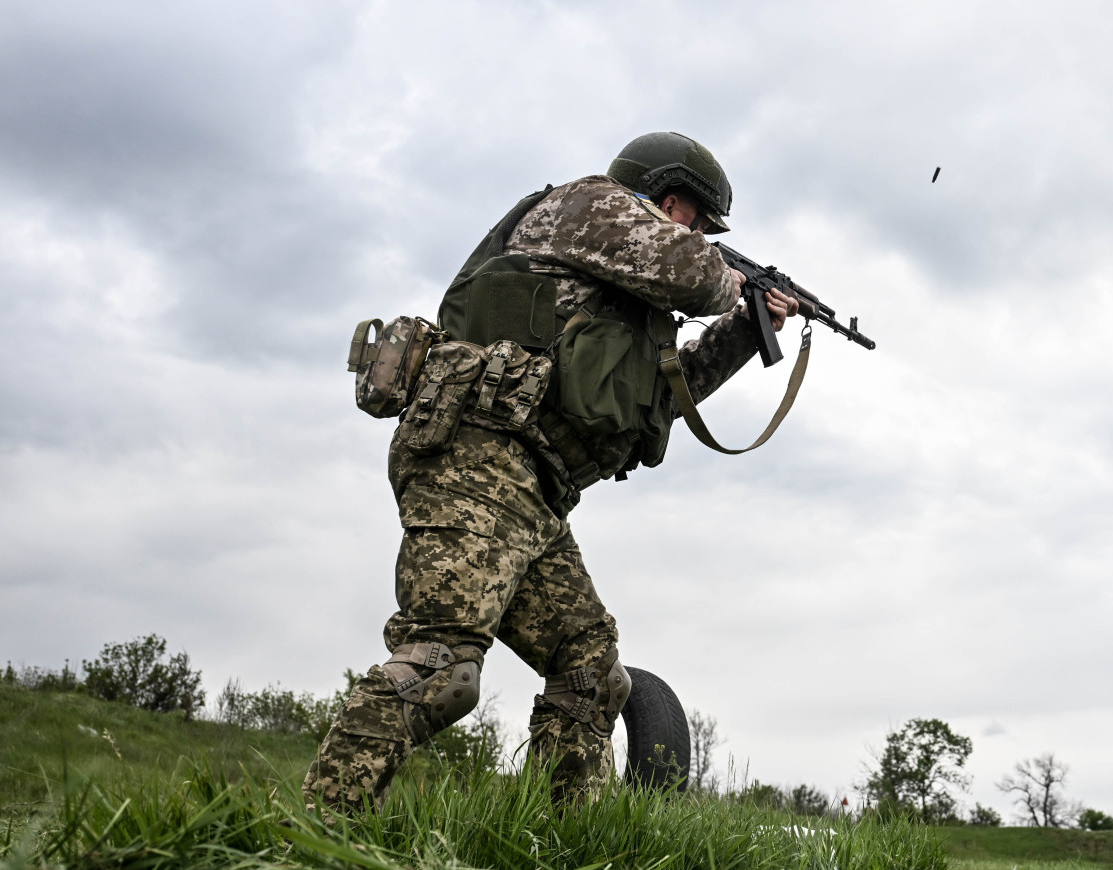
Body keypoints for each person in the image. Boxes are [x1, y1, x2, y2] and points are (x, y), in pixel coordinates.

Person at [304, 132, 797, 813]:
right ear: (671, 199)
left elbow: (665, 394)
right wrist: (732, 283)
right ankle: (323, 825)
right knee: (443, 663)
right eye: (701, 225)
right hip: (475, 454)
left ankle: (558, 846)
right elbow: (697, 275)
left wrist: (748, 329)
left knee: (591, 671)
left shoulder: (622, 290)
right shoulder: (586, 206)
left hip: (534, 488)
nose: (703, 238)